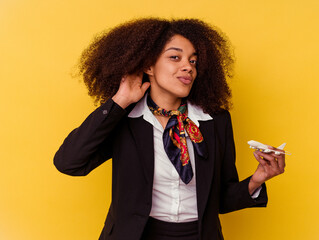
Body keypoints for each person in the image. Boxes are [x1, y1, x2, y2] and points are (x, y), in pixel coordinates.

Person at [54, 18, 285, 240]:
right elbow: (69, 162)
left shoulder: (214, 121)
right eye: (175, 57)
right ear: (148, 66)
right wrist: (120, 101)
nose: (188, 67)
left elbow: (220, 200)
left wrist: (257, 180)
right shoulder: (125, 118)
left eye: (193, 61)